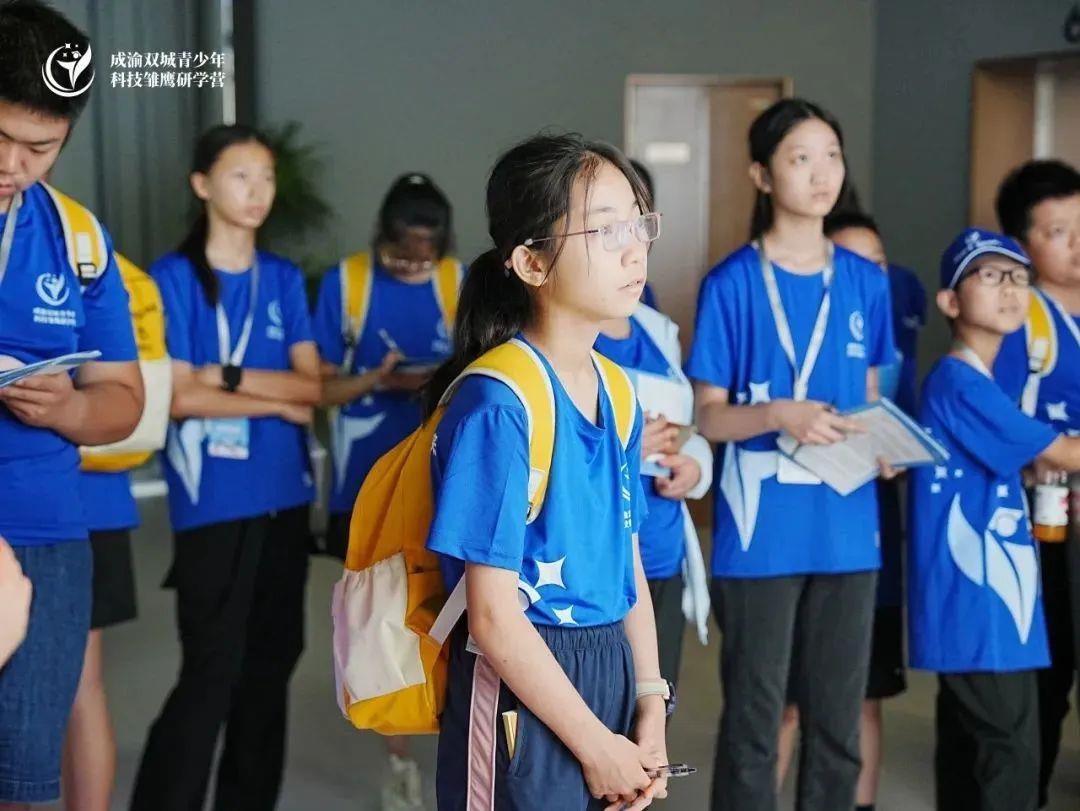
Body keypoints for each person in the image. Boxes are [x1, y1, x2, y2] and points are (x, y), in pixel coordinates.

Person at [425, 133, 669, 810]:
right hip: (521, 683)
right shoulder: (499, 403)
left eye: (638, 223)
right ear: (532, 262)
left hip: (610, 669)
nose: (635, 249)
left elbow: (626, 559)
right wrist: (596, 747)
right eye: (606, 229)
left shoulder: (618, 390)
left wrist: (650, 701)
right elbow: (493, 617)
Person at [686, 98, 896, 811]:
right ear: (762, 175)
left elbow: (870, 397)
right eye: (800, 158)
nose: (821, 173)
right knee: (756, 718)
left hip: (847, 522)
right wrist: (778, 414)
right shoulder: (731, 283)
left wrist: (885, 446)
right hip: (760, 529)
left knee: (838, 721)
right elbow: (708, 416)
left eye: (831, 156)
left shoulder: (866, 281)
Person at [130, 124, 320, 811]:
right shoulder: (172, 278)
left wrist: (229, 377)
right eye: (241, 176)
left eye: (266, 177)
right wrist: (276, 399)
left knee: (271, 667)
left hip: (285, 498)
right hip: (212, 502)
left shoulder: (283, 278)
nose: (257, 191)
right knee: (211, 670)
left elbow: (313, 386)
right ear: (202, 184)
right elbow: (179, 397)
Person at [0, 3, 143, 807]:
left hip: (49, 534)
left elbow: (121, 399)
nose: (13, 164)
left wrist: (61, 409)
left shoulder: (79, 240)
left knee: (22, 772)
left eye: (40, 147)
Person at [909, 226, 1080, 811]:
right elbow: (1063, 453)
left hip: (995, 599)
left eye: (1019, 277)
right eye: (990, 275)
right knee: (1010, 755)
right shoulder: (961, 382)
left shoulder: (980, 383)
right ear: (950, 301)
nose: (1010, 288)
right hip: (979, 599)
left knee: (978, 750)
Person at [313, 174, 462, 810]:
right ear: (382, 239)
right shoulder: (346, 283)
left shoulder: (459, 283)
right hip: (367, 483)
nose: (412, 266)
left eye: (423, 257)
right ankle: (398, 756)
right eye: (401, 256)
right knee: (382, 621)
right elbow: (320, 385)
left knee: (455, 613)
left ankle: (461, 746)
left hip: (444, 479)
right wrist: (374, 379)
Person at [990, 159, 1080, 808]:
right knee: (1049, 667)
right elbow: (994, 421)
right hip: (1043, 518)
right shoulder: (1019, 319)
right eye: (1058, 232)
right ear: (1023, 244)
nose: (1077, 244)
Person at [594, 297, 713, 688]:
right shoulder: (559, 331)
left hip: (662, 555)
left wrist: (694, 466)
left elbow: (684, 426)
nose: (634, 267)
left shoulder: (656, 328)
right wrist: (624, 448)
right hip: (596, 567)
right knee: (600, 706)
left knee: (656, 701)